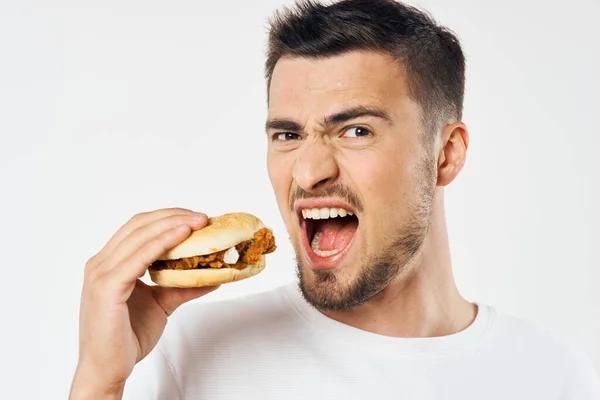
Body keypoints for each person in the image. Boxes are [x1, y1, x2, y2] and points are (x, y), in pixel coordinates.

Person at [69, 0, 600, 399]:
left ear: (446, 154)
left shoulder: (552, 374)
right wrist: (98, 378)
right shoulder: (188, 351)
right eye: (287, 135)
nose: (308, 170)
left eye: (356, 131)